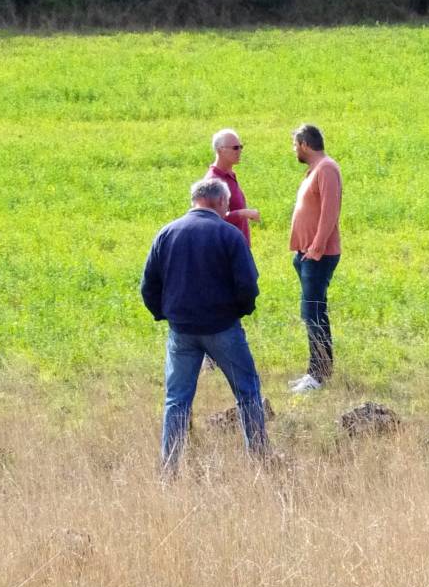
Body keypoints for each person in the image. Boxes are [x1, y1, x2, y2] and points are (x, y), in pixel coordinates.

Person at [140, 177, 269, 474]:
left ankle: (169, 469)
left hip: (182, 331)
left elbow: (148, 286)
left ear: (195, 200)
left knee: (177, 401)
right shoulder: (230, 235)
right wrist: (238, 312)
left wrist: (166, 314)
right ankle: (260, 459)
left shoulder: (166, 233)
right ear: (221, 203)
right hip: (223, 328)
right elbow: (248, 285)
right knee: (247, 392)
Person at [285, 123, 342, 395]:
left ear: (305, 145)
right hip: (307, 254)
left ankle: (317, 374)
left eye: (295, 145)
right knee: (314, 312)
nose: (294, 150)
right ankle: (317, 370)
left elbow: (330, 211)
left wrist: (316, 248)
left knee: (313, 313)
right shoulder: (315, 171)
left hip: (317, 256)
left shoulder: (327, 169)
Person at [206, 128, 258, 244]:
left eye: (240, 147)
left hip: (237, 246)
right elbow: (211, 218)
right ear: (220, 150)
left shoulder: (229, 175)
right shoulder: (214, 180)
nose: (239, 151)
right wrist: (244, 213)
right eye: (235, 148)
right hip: (226, 250)